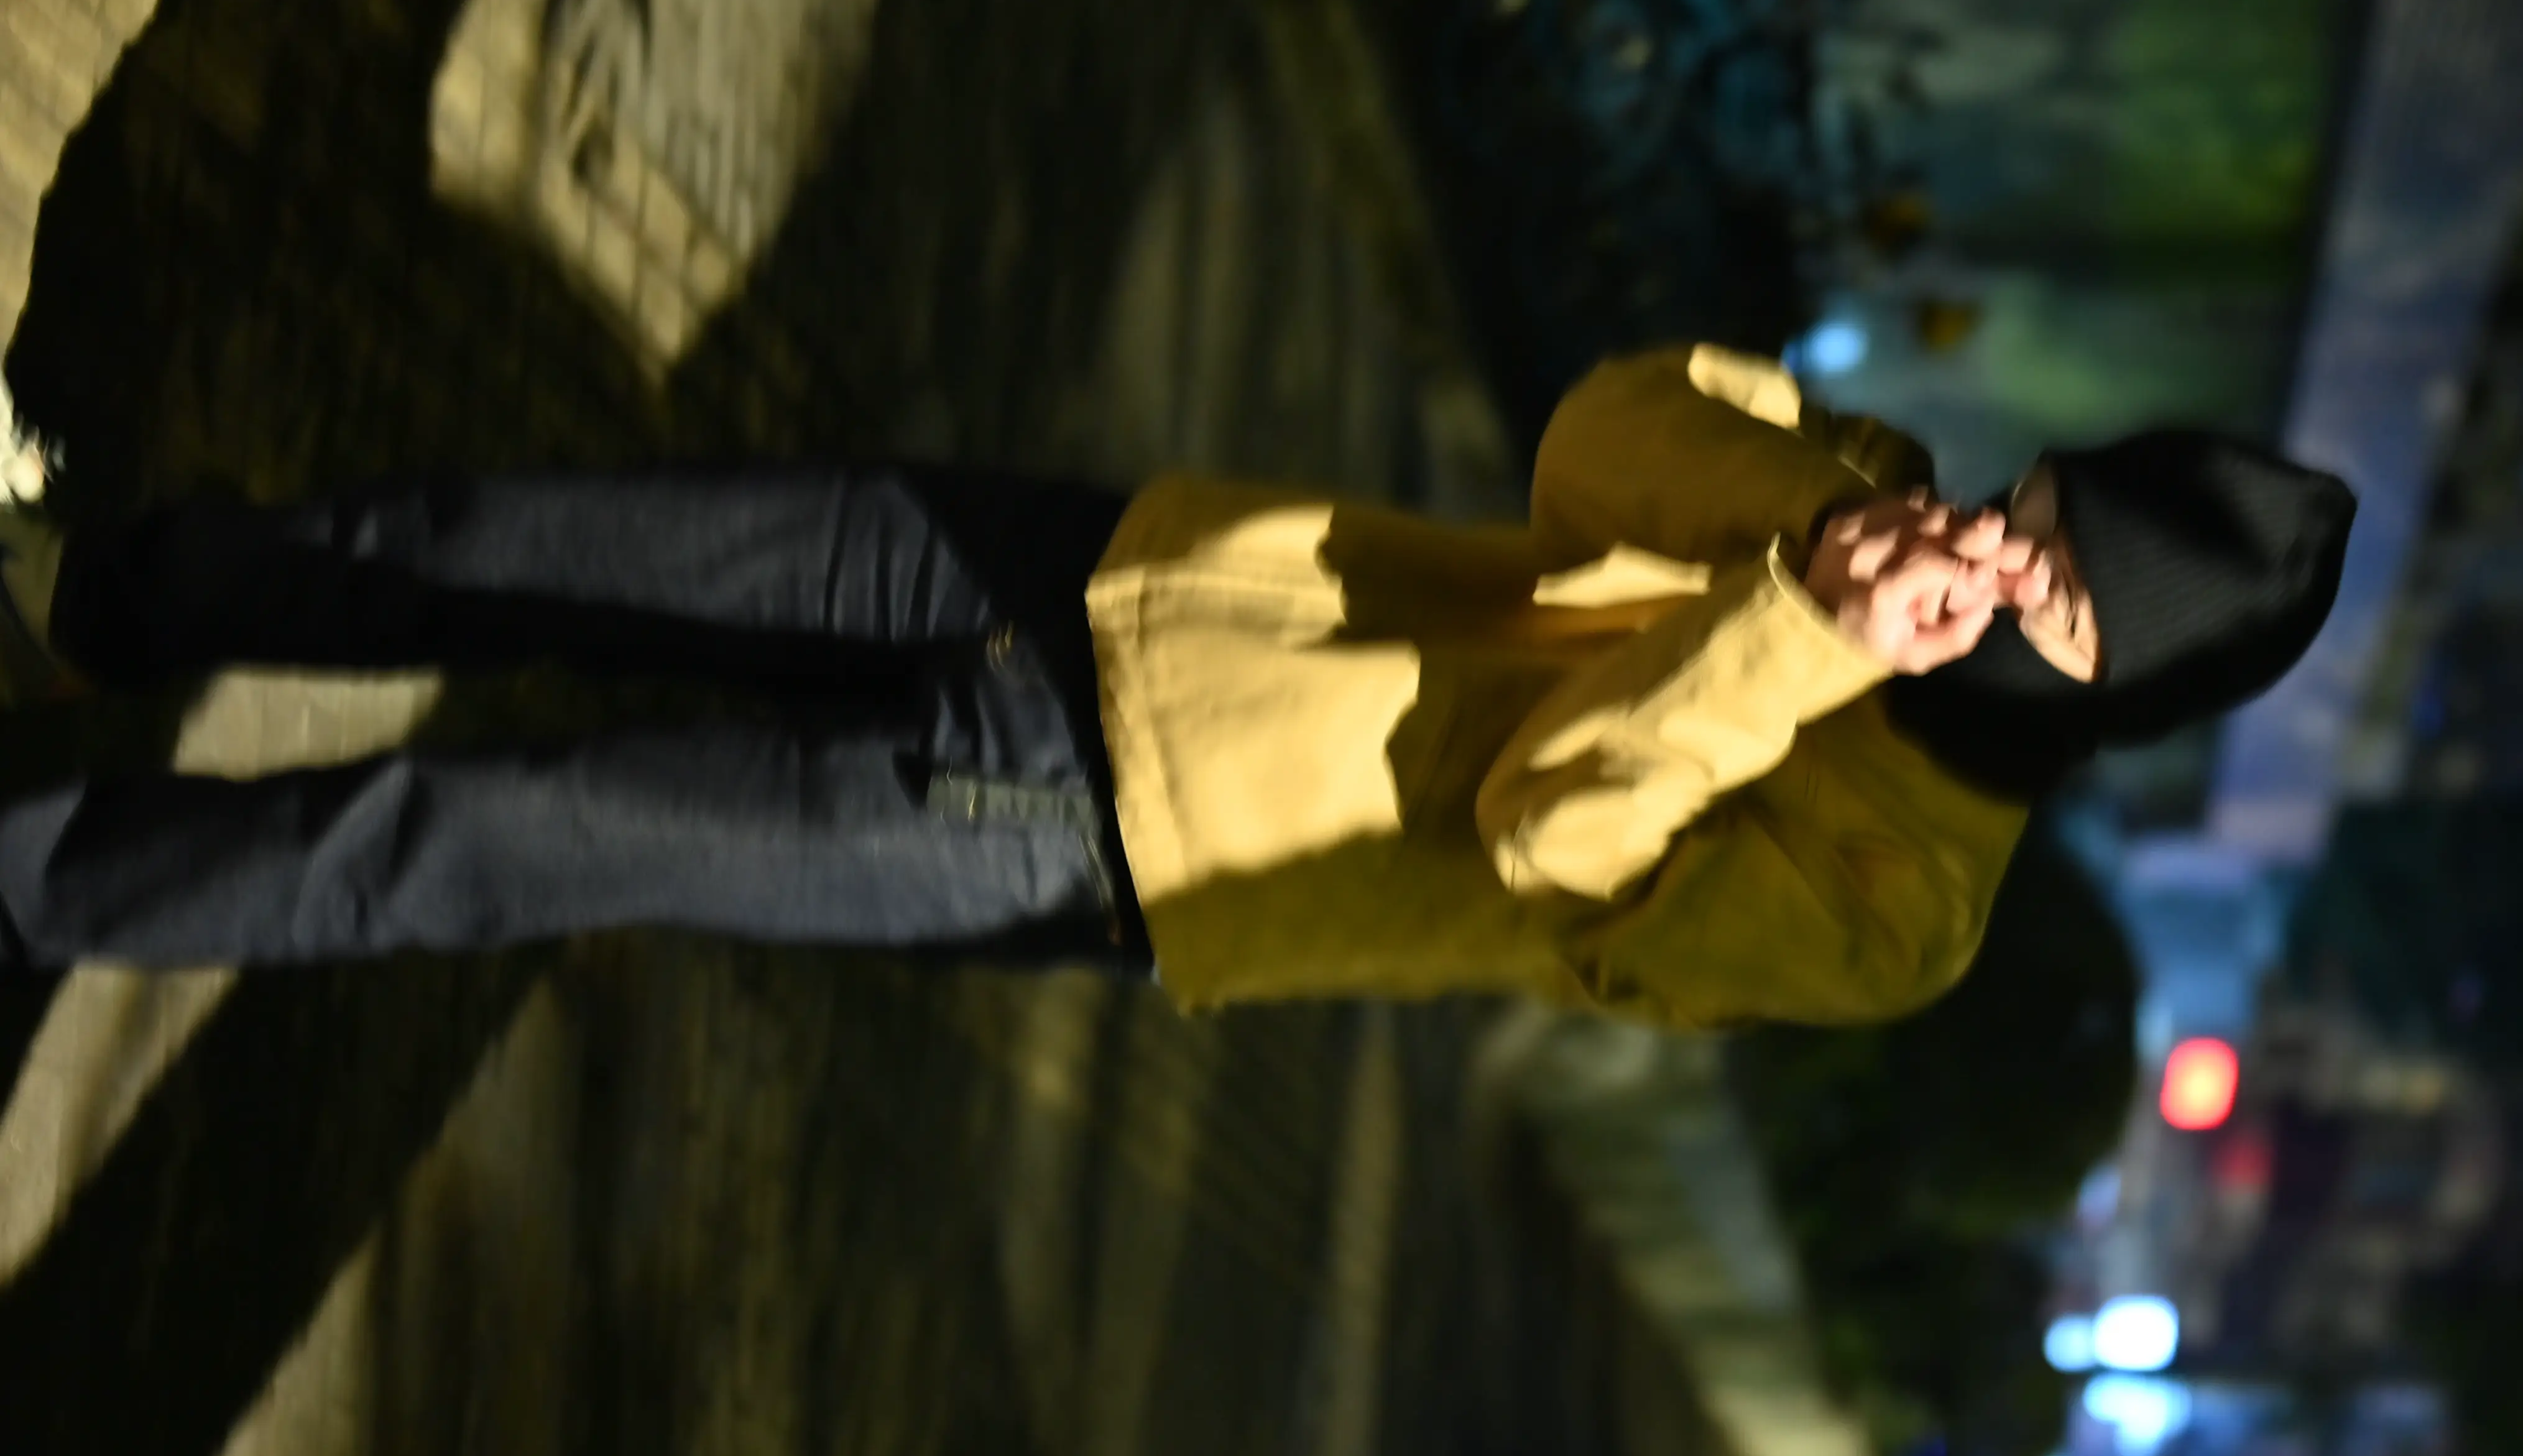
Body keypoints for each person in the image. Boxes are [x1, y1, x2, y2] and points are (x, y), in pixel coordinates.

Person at [0, 346, 2351, 1027]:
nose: (1988, 555)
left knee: (493, 835)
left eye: (2045, 590)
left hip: (1111, 829)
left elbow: (1556, 841)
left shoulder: (1898, 900)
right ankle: (106, 596)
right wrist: (1821, 527)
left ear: (2096, 695)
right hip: (1136, 564)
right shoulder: (1871, 497)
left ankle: (28, 881)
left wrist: (1805, 644)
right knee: (516, 544)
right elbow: (1593, 442)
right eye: (2032, 504)